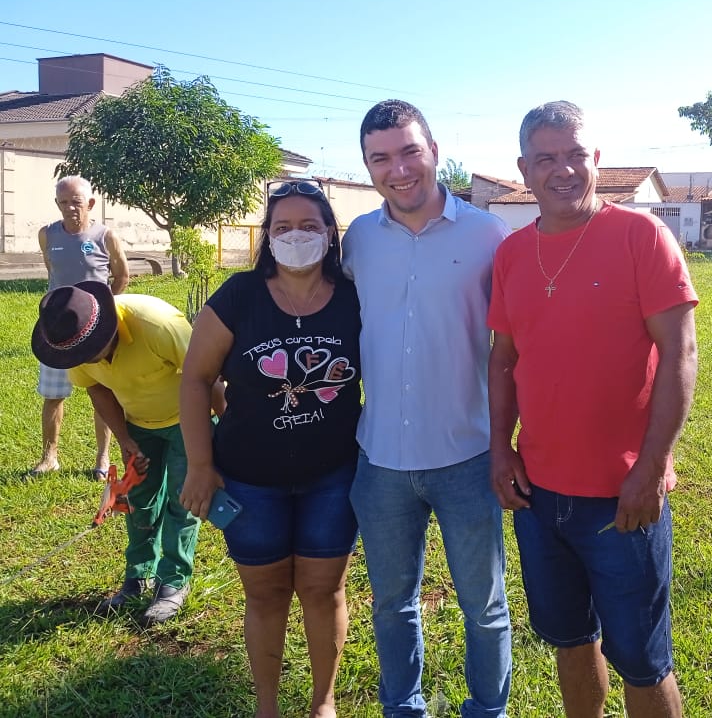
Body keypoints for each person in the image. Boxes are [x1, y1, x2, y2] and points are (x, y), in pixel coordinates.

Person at [488, 101, 697, 717]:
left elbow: (681, 355)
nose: (563, 170)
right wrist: (502, 448)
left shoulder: (641, 236)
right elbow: (503, 360)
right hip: (539, 495)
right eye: (546, 158)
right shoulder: (512, 254)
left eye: (575, 155)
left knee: (641, 658)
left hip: (622, 495)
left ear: (596, 160)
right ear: (524, 169)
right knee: (571, 642)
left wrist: (652, 465)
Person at [341, 100, 512, 718]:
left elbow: (514, 345)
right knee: (391, 604)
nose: (399, 168)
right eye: (380, 158)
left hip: (468, 455)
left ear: (435, 151)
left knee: (484, 606)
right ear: (367, 167)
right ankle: (402, 707)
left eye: (410, 151)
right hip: (379, 458)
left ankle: (487, 710)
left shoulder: (490, 235)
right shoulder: (358, 238)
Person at [179, 180, 362, 718]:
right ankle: (267, 708)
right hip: (247, 478)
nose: (296, 236)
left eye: (309, 225)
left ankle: (322, 702)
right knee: (264, 594)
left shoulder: (356, 297)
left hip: (334, 476)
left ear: (330, 233)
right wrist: (200, 464)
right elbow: (195, 380)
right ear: (267, 236)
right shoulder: (239, 295)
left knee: (323, 589)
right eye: (283, 227)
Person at [30, 280, 211, 625]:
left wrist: (214, 435)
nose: (81, 361)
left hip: (189, 419)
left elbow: (205, 377)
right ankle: (139, 574)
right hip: (138, 422)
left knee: (182, 499)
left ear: (104, 330)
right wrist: (126, 439)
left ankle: (173, 582)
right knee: (139, 498)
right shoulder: (70, 342)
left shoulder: (158, 325)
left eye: (88, 353)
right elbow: (97, 390)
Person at [30, 175, 129, 480]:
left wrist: (104, 314)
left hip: (95, 332)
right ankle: (50, 457)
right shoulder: (47, 234)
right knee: (53, 395)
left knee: (101, 392)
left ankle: (102, 458)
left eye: (76, 202)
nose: (70, 208)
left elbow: (122, 276)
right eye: (64, 202)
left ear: (90, 203)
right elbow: (53, 273)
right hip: (57, 331)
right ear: (57, 204)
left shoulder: (105, 236)